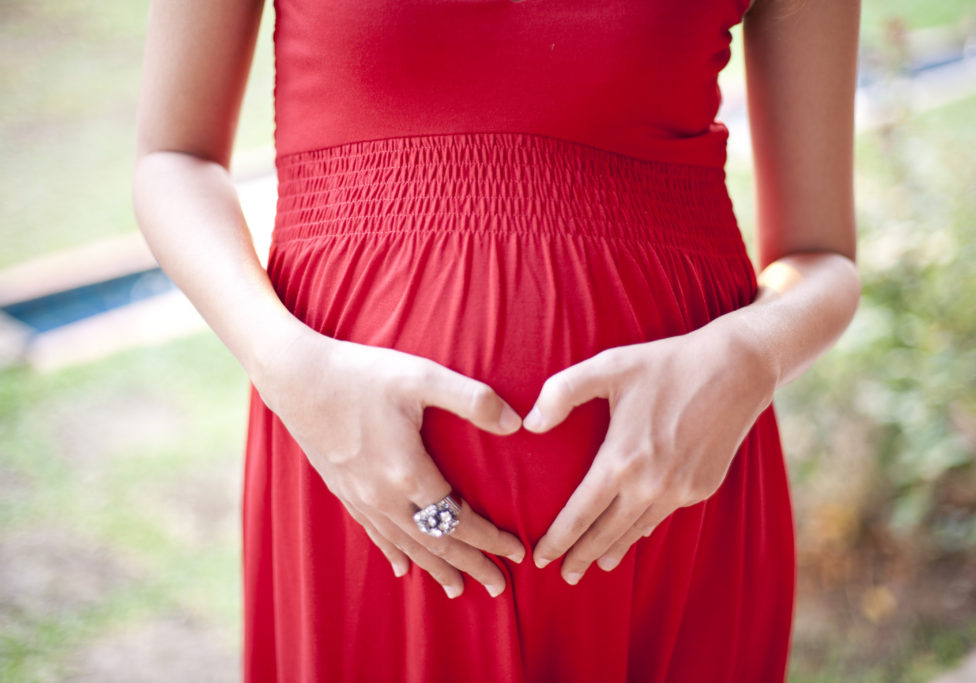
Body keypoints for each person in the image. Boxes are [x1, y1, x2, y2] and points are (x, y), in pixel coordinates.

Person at [132, 0, 861, 680]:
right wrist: (288, 362)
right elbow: (174, 156)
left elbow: (821, 257)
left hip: (668, 501)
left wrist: (752, 354)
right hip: (361, 487)